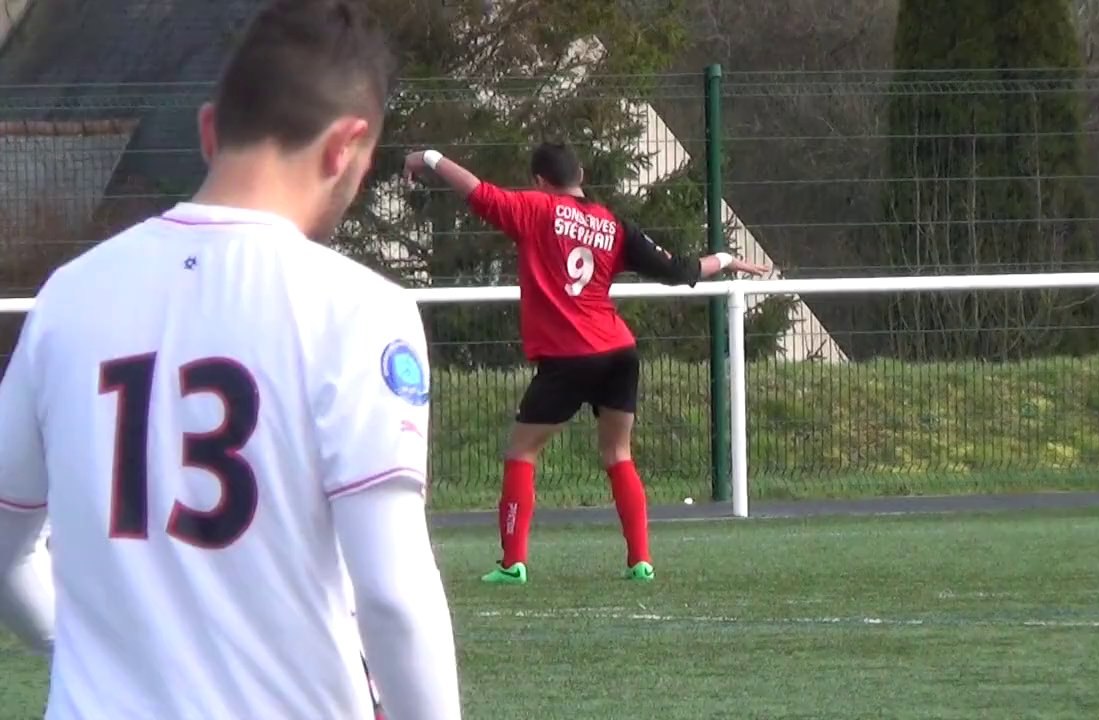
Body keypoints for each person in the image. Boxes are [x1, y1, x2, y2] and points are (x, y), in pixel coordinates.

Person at [0, 1, 462, 718]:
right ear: (346, 146)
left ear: (209, 129)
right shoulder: (356, 308)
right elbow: (393, 597)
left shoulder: (67, 300)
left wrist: (82, 651)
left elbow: (5, 550)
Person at [402, 141, 767, 584]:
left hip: (569, 356)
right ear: (582, 176)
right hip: (618, 350)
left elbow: (478, 191)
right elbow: (677, 270)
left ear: (540, 181)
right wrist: (725, 259)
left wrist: (431, 158)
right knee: (617, 452)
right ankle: (640, 561)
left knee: (521, 451)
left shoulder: (535, 209)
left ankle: (513, 562)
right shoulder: (613, 225)